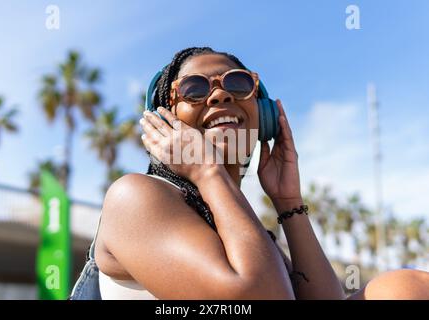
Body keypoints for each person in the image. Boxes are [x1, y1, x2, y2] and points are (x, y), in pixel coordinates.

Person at [69, 46, 429, 300]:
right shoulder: (135, 197)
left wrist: (288, 202)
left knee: (404, 290)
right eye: (194, 89)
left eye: (238, 84)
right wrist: (208, 171)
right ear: (164, 122)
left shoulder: (250, 237)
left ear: (265, 117)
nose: (220, 96)